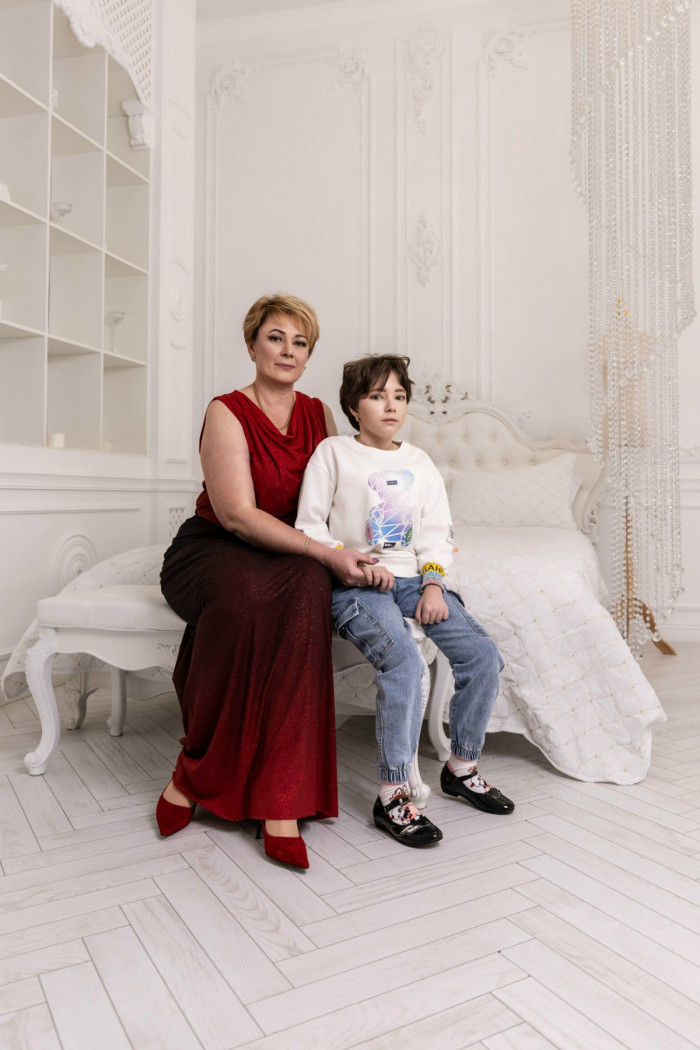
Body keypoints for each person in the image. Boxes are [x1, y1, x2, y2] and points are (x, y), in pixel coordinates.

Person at [159, 294, 375, 869]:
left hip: (291, 549)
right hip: (216, 546)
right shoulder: (226, 410)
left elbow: (339, 497)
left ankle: (283, 798)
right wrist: (322, 553)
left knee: (308, 590)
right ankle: (194, 771)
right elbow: (235, 515)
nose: (287, 350)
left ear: (309, 356)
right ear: (253, 345)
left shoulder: (319, 415)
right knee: (245, 598)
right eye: (276, 337)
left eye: (300, 342)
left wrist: (390, 541)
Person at [295, 354, 514, 848]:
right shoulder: (333, 453)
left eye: (399, 396)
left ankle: (461, 768)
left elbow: (437, 534)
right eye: (377, 396)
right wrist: (351, 563)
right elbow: (309, 528)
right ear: (354, 406)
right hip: (355, 584)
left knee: (482, 654)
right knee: (405, 664)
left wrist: (434, 584)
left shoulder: (419, 462)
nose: (391, 405)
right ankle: (392, 794)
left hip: (415, 581)